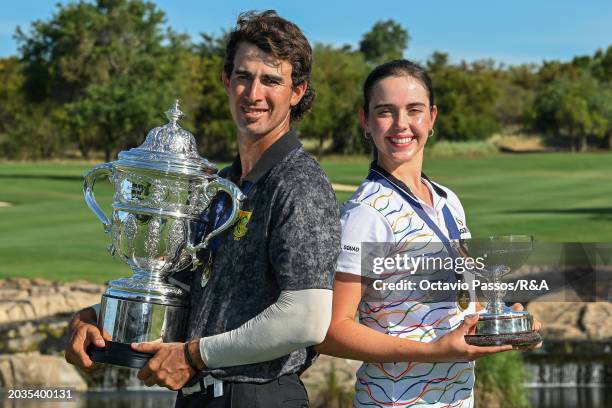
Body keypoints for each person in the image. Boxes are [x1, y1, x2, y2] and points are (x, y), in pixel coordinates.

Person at [65, 10, 341, 407]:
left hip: (256, 396)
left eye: (271, 80)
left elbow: (306, 318)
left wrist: (193, 355)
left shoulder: (299, 183)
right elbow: (179, 286)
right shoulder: (221, 185)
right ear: (226, 81)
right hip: (200, 395)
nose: (253, 93)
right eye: (244, 77)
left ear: (296, 92)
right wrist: (96, 316)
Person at [315, 59, 540, 407]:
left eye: (414, 110)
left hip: (457, 399)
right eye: (385, 111)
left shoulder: (449, 201)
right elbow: (331, 331)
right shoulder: (368, 214)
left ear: (432, 117)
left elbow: (463, 303)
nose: (401, 124)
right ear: (365, 120)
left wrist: (507, 321)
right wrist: (433, 351)